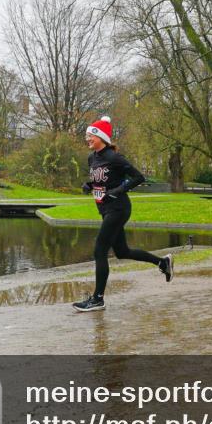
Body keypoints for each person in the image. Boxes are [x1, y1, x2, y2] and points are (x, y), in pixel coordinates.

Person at [74, 116, 173, 312]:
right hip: (104, 209)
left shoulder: (114, 157)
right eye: (87, 136)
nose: (87, 139)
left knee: (99, 251)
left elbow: (139, 177)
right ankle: (163, 262)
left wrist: (119, 190)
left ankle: (98, 299)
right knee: (122, 252)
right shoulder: (92, 158)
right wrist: (89, 184)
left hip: (119, 208)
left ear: (101, 137)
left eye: (90, 136)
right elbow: (100, 180)